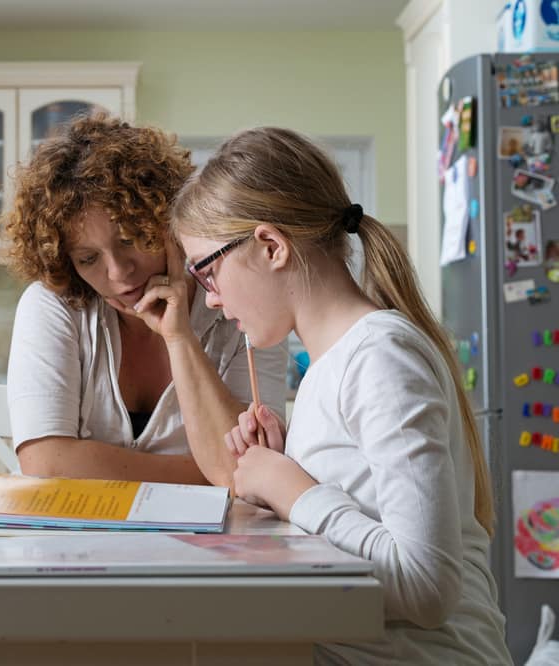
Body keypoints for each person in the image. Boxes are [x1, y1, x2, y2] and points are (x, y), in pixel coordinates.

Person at [167, 126, 511, 664]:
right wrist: (285, 472)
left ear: (270, 246)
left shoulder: (380, 357)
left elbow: (426, 588)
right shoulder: (338, 362)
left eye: (206, 272)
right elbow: (357, 522)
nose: (209, 299)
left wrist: (295, 491)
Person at [0, 113, 287, 484]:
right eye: (88, 259)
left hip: (205, 540)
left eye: (131, 239)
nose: (118, 272)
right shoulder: (53, 305)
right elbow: (46, 464)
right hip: (73, 538)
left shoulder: (243, 309)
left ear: (166, 222)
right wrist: (206, 472)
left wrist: (180, 338)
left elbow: (254, 469)